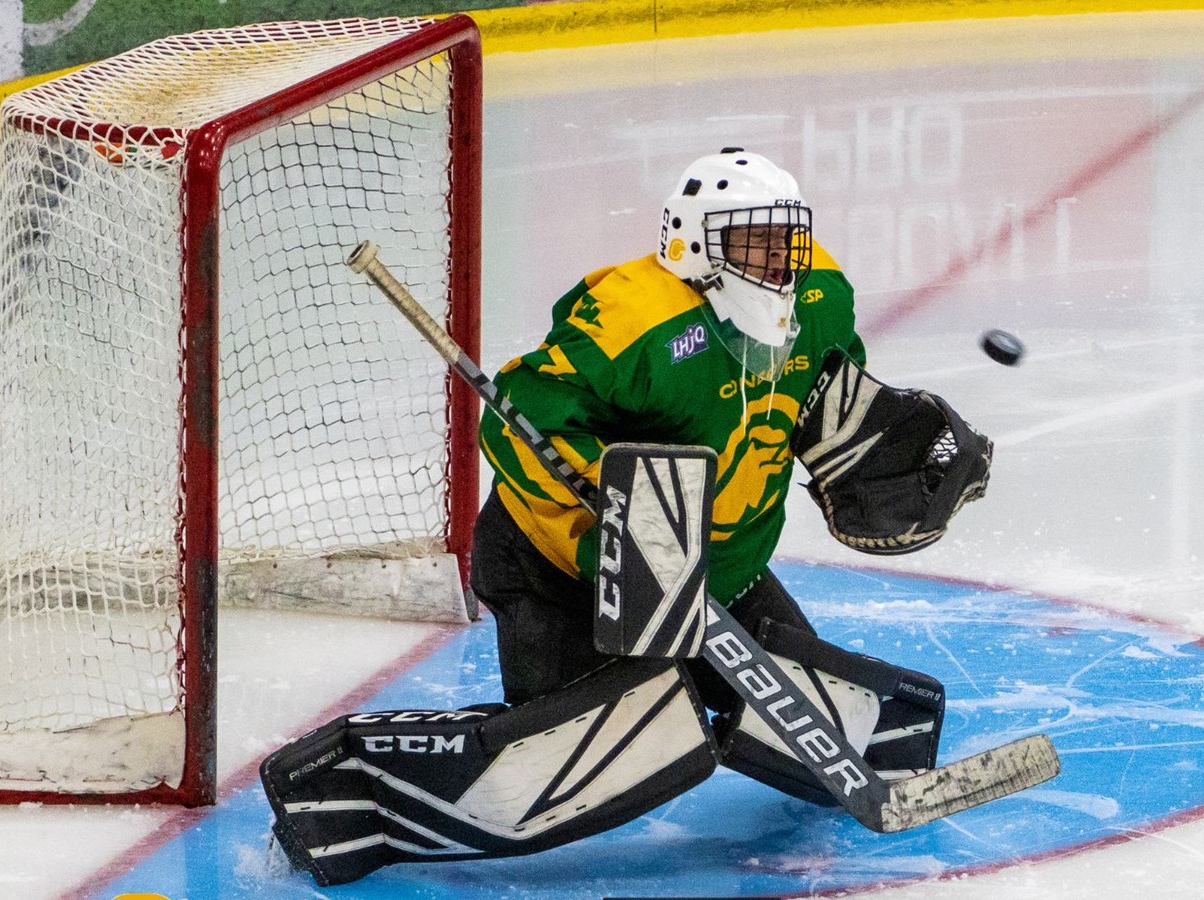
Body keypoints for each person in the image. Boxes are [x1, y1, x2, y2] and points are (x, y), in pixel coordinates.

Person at [260, 148, 993, 886]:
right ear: (694, 243)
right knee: (577, 770)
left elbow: (823, 397)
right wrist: (614, 513)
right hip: (563, 570)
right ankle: (349, 786)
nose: (778, 260)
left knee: (835, 728)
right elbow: (519, 420)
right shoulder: (632, 318)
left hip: (720, 569)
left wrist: (880, 446)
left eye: (785, 239)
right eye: (753, 240)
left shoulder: (820, 295)